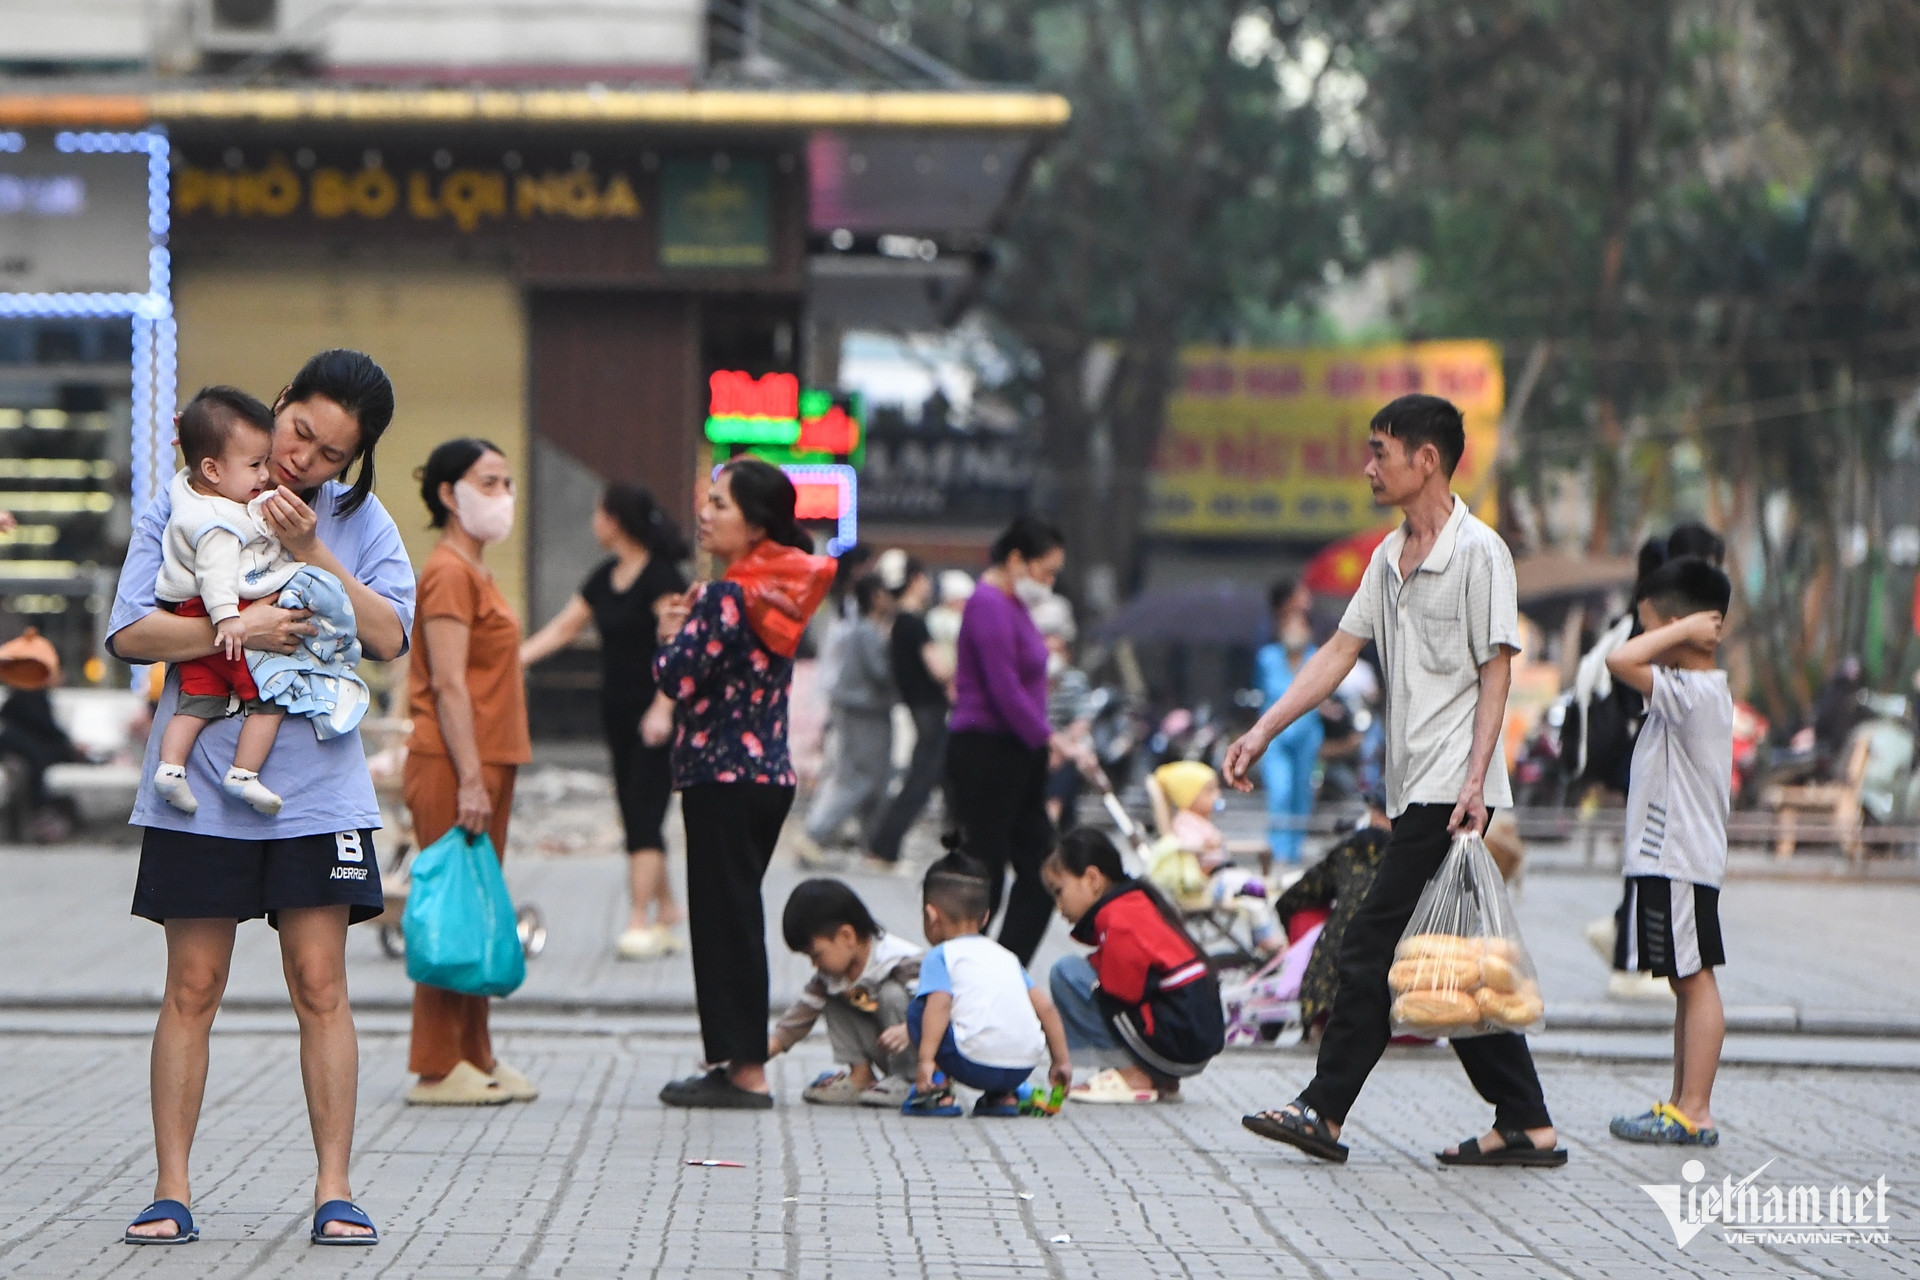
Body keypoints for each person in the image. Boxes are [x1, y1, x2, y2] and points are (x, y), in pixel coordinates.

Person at [110, 348, 408, 1244]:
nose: (302, 459)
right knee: (193, 985)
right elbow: (130, 633)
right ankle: (171, 1191)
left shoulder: (357, 518)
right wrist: (239, 627)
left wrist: (314, 550)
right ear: (281, 403)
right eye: (299, 431)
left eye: (329, 455)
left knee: (321, 984)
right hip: (200, 791)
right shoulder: (186, 499)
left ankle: (335, 1190)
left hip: (317, 794)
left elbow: (390, 634)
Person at [1223, 392, 1565, 1169]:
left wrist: (1475, 782)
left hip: (1453, 788)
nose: (1368, 467)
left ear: (1426, 460)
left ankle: (1323, 1109)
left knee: (1370, 943)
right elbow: (1338, 652)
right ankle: (1525, 1120)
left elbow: (1497, 671)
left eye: (1380, 451)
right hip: (1414, 787)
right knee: (1442, 958)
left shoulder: (1479, 553)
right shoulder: (1388, 557)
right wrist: (1263, 730)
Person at [653, 458, 836, 1109]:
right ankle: (736, 1061)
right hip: (767, 776)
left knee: (721, 925)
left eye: (720, 504)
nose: (705, 514)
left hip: (720, 775)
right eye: (707, 500)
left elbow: (676, 677)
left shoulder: (724, 596)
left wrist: (668, 635)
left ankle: (744, 1069)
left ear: (756, 524)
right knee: (738, 917)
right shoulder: (779, 593)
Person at [402, 438, 535, 1106]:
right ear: (449, 494)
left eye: (506, 482)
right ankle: (435, 1064)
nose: (502, 495)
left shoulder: (477, 571)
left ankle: (474, 1052)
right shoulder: (448, 572)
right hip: (454, 762)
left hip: (489, 757)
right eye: (488, 482)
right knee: (449, 906)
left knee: (480, 905)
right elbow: (449, 684)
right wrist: (473, 779)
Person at [520, 482, 690, 959]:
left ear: (615, 520)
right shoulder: (604, 578)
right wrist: (513, 660)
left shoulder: (661, 578)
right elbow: (564, 628)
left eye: (598, 513)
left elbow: (679, 646)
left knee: (645, 811)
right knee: (634, 809)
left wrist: (664, 706)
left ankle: (638, 920)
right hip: (617, 712)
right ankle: (668, 908)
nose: (593, 522)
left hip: (657, 714)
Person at [1603, 557, 1734, 1147]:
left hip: (1678, 858)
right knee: (1685, 981)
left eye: (1651, 627)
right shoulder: (1687, 691)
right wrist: (1678, 629)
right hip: (1670, 859)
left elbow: (1619, 660)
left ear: (1686, 628)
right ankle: (1682, 1105)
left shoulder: (1693, 691)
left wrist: (1681, 630)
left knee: (1695, 980)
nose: (1645, 640)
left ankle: (1696, 1111)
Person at [946, 515, 1074, 965]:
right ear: (1017, 560)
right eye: (1046, 572)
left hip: (1019, 751)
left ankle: (1005, 965)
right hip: (987, 749)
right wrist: (1049, 737)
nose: (1050, 583)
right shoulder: (987, 604)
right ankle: (967, 966)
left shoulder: (1014, 605)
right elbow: (1002, 687)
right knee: (986, 870)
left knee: (1045, 867)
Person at [1043, 829, 1224, 1105]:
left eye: (1059, 892)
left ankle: (1132, 1073)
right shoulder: (1134, 902)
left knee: (1067, 974)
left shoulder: (1119, 918)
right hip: (1191, 1040)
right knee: (1087, 974)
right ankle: (1156, 1077)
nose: (1059, 906)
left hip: (1177, 1043)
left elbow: (1124, 992)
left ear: (1092, 879)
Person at [901, 849, 1071, 1117]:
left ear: (931, 915)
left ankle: (938, 1092)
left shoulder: (941, 955)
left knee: (919, 1009)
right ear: (985, 917)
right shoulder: (1007, 956)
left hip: (973, 1064)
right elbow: (1046, 1008)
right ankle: (1003, 1096)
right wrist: (1061, 1061)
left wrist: (925, 1060)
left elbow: (940, 1004)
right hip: (1022, 1067)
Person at [768, 878, 922, 1107]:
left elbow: (939, 1005)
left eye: (816, 955)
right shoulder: (831, 977)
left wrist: (909, 1027)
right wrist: (755, 1053)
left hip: (921, 1054)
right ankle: (861, 1076)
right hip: (886, 1047)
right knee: (834, 996)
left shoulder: (901, 960)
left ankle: (911, 1080)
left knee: (891, 994)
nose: (814, 965)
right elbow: (800, 1015)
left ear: (847, 936)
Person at [796, 575, 897, 862]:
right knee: (860, 778)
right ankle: (816, 833)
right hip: (861, 711)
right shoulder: (865, 632)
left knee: (876, 779)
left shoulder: (870, 629)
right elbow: (880, 672)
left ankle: (872, 843)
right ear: (875, 597)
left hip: (869, 710)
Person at [1273, 794, 1392, 1033]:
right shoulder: (1426, 852)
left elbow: (1294, 898)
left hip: (1332, 998)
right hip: (1410, 1003)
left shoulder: (1353, 850)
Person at [866, 558, 952, 868]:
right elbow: (939, 669)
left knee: (936, 777)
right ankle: (883, 846)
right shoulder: (913, 623)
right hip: (930, 709)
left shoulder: (896, 623)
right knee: (921, 780)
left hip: (918, 707)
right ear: (915, 580)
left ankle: (885, 846)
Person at [1144, 760, 1282, 955]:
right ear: (1189, 796)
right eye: (1209, 791)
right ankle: (1264, 937)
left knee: (1254, 892)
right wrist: (1204, 846)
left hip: (1224, 875)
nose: (1217, 796)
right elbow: (1182, 846)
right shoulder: (1184, 823)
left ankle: (1263, 930)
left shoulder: (1201, 822)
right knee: (1253, 891)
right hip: (1210, 881)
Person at [1255, 579, 1323, 862]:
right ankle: (1278, 849)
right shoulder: (1267, 657)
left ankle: (1295, 849)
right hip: (1276, 737)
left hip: (1307, 734)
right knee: (1280, 790)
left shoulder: (1316, 657)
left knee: (1301, 794)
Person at [1032, 592, 1093, 832]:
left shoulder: (1075, 680)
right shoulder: (1028, 681)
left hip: (1066, 747)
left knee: (1071, 763)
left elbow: (1082, 720)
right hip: (1038, 746)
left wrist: (1062, 747)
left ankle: (1053, 817)